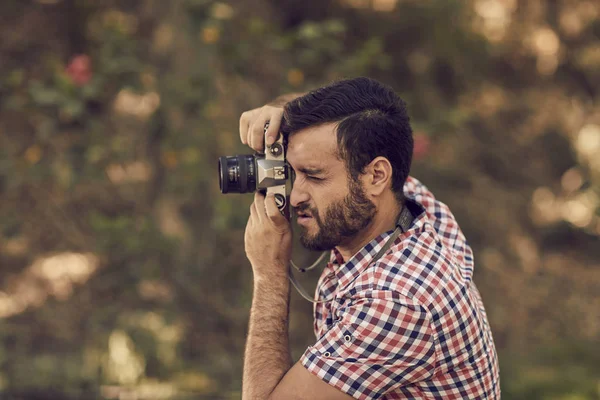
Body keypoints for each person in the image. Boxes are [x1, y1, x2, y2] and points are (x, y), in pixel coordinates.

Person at [239, 77, 500, 399]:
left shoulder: (397, 302)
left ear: (376, 175)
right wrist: (283, 112)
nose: (295, 197)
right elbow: (352, 117)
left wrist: (269, 272)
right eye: (293, 173)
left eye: (314, 176)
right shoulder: (409, 206)